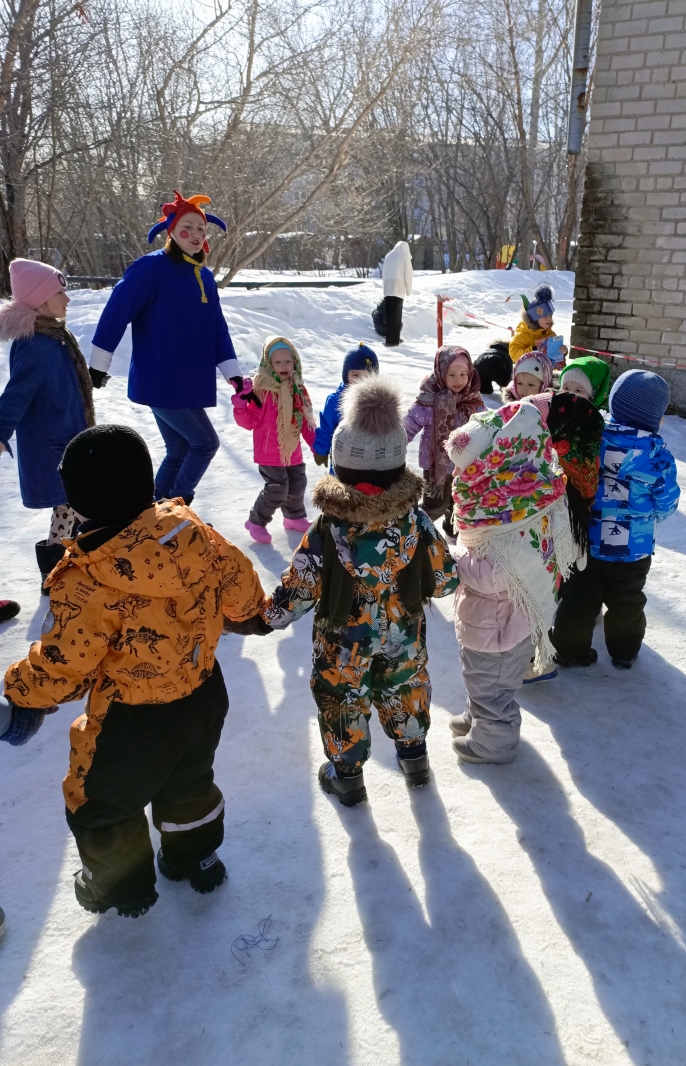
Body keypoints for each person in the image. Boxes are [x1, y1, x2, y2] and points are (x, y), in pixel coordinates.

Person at [2, 424, 267, 918]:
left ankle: (123, 887)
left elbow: (64, 663)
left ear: (78, 501)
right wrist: (249, 616)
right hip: (204, 693)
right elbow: (243, 588)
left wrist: (19, 691)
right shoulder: (189, 529)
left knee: (100, 802)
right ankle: (196, 857)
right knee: (189, 781)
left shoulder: (87, 578)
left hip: (132, 720)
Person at [261, 377, 458, 806]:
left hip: (342, 641)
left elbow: (301, 583)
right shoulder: (417, 522)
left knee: (342, 697)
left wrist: (270, 615)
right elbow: (445, 579)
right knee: (405, 686)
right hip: (403, 633)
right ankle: (415, 759)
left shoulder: (328, 530)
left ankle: (347, 778)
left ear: (342, 467)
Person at [88, 191, 248, 505]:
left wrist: (234, 375)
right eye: (188, 228)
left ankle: (154, 511)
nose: (197, 235)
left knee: (179, 449)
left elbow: (217, 328)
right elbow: (116, 313)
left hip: (188, 382)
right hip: (160, 379)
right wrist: (97, 365)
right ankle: (177, 506)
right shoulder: (150, 269)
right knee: (205, 443)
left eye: (201, 229)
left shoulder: (204, 276)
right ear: (171, 231)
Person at [445, 400, 581, 764]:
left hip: (498, 627)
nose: (459, 475)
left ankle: (494, 741)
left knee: (492, 687)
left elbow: (494, 574)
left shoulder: (513, 513)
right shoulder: (519, 492)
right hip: (504, 621)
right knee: (482, 680)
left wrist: (451, 558)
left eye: (466, 466)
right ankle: (479, 717)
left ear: (492, 462)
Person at [550, 370, 680, 670]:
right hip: (632, 549)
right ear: (656, 418)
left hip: (589, 539)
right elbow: (666, 503)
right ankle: (624, 653)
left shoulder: (592, 436)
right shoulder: (658, 457)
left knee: (580, 596)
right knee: (627, 601)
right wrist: (651, 519)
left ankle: (569, 650)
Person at [0, 259, 98, 593]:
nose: (67, 299)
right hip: (54, 444)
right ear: (41, 299)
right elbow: (16, 394)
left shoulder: (54, 335)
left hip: (69, 436)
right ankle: (87, 565)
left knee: (70, 507)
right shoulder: (34, 344)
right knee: (87, 505)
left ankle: (57, 570)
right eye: (60, 293)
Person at [232, 336, 316, 545]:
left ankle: (293, 517)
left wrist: (316, 443)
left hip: (292, 450)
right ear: (268, 364)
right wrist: (241, 406)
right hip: (269, 452)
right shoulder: (261, 391)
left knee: (297, 484)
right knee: (277, 488)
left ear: (295, 362)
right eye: (277, 362)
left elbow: (304, 421)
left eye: (287, 361)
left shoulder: (297, 390)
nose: (283, 366)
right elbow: (249, 422)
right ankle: (255, 522)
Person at [403, 345, 484, 537]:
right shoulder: (429, 399)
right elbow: (409, 424)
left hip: (464, 465)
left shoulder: (472, 398)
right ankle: (412, 532)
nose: (458, 380)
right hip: (436, 468)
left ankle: (452, 532)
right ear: (441, 373)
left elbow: (485, 425)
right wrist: (395, 443)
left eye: (463, 374)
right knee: (435, 505)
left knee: (459, 503)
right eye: (452, 375)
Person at [312, 342, 378, 470]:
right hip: (341, 460)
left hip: (369, 463)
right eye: (355, 375)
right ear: (346, 375)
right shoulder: (335, 401)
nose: (360, 380)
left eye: (366, 375)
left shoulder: (378, 401)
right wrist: (321, 450)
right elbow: (326, 429)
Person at [509, 284, 558, 362]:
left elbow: (556, 357)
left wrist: (562, 352)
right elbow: (514, 354)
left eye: (550, 315)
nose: (549, 319)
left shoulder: (551, 335)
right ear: (534, 318)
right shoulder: (521, 336)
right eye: (545, 316)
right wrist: (534, 349)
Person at [381, 240, 413, 347]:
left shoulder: (388, 255)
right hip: (398, 287)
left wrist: (385, 285)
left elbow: (384, 273)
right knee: (396, 315)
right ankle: (393, 340)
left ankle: (389, 338)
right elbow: (408, 274)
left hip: (387, 287)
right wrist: (408, 290)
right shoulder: (404, 255)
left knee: (389, 314)